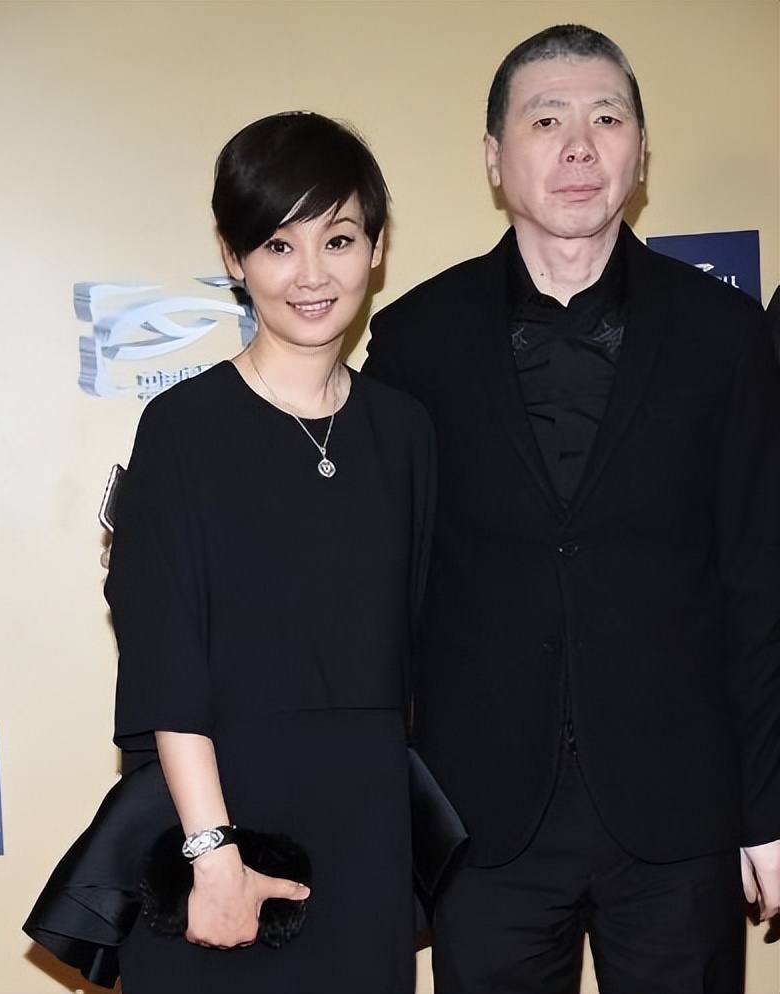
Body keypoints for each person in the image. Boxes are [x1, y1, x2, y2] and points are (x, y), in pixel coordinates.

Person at [364, 23, 780, 994]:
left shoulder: (724, 334)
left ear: (642, 151)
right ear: (493, 157)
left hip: (681, 816)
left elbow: (760, 583)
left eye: (607, 118)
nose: (579, 146)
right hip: (483, 821)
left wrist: (769, 808)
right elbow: (379, 589)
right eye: (546, 120)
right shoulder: (414, 340)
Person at [39, 112, 435, 994]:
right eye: (278, 245)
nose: (312, 274)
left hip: (368, 833)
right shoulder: (183, 429)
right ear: (233, 256)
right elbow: (165, 659)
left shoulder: (405, 432)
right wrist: (211, 853)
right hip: (219, 824)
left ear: (375, 248)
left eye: (338, 239)